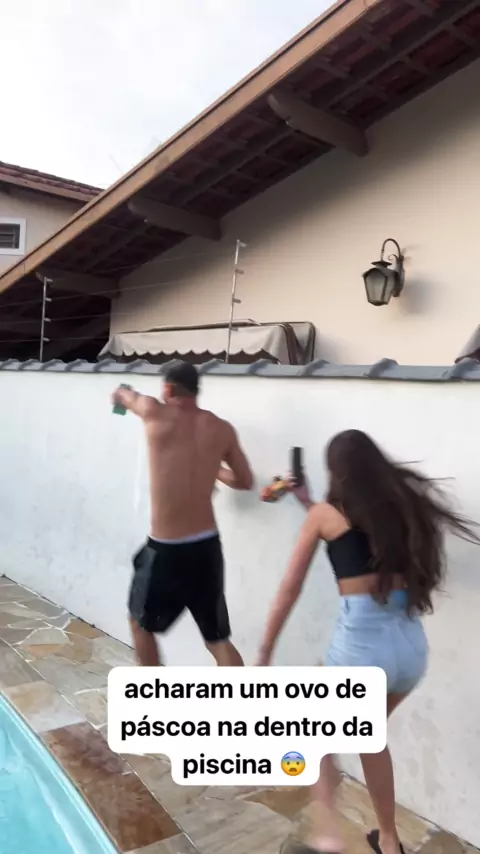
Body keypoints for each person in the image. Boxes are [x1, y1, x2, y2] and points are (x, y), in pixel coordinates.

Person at [256, 429, 480, 854]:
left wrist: (265, 651)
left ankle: (327, 837)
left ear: (336, 473)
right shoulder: (400, 511)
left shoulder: (324, 516)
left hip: (360, 656)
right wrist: (307, 502)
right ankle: (389, 841)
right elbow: (353, 538)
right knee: (367, 737)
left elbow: (289, 588)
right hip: (409, 654)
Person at [112, 360, 253, 667]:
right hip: (207, 548)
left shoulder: (153, 410)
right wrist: (212, 468)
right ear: (196, 390)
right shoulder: (222, 428)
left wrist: (120, 394)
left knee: (140, 623)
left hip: (166, 551)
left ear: (167, 388)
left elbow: (124, 396)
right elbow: (245, 481)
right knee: (216, 639)